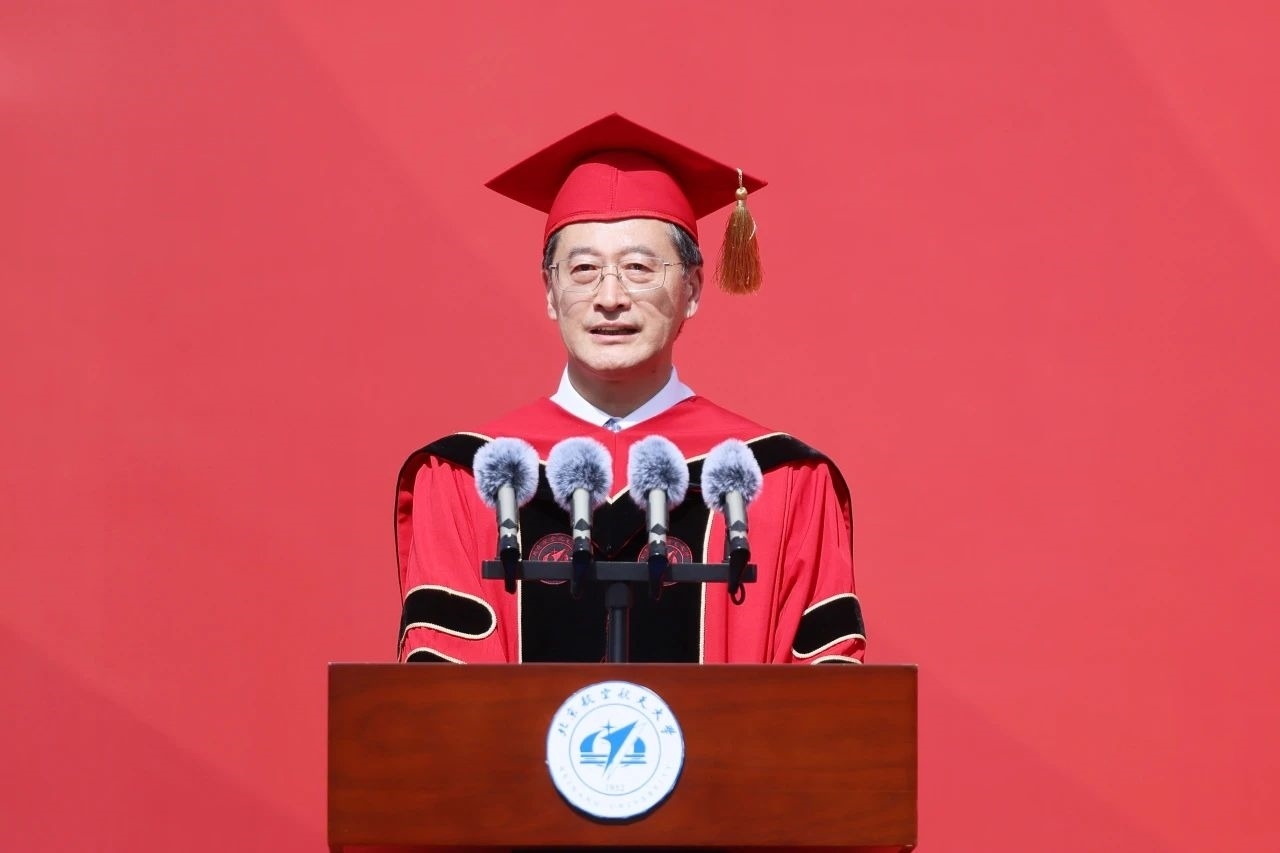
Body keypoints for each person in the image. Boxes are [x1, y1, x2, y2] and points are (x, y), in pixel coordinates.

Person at [396, 114, 865, 664]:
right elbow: (439, 691)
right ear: (549, 291)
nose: (610, 297)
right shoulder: (462, 477)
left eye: (640, 267)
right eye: (583, 269)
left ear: (692, 289)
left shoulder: (780, 479)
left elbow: (823, 692)